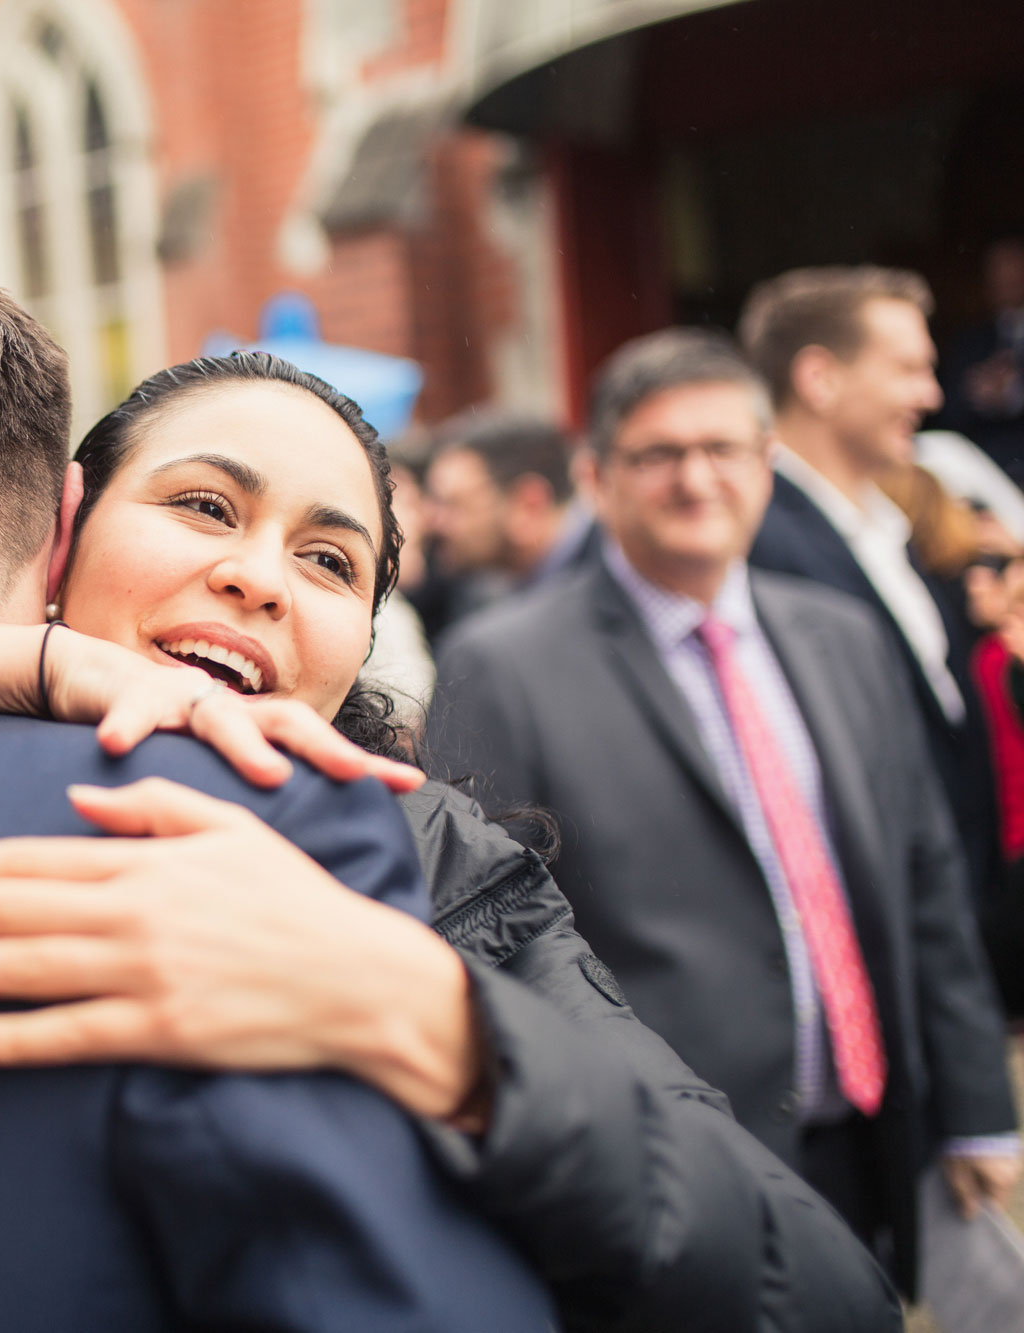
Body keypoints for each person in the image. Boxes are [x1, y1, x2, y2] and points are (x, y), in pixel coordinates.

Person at [0, 279, 900, 1328]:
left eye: (333, 563)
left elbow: (817, 1283)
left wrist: (441, 1024)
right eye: (206, 506)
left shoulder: (434, 860)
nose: (265, 573)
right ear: (61, 532)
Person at [426, 327, 1018, 1294]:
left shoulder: (842, 637)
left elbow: (925, 885)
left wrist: (978, 1106)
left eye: (723, 451)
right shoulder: (503, 666)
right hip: (678, 1163)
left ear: (766, 464)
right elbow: (488, 931)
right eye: (659, 455)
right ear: (598, 475)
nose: (696, 480)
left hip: (876, 1136)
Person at [741, 266, 1008, 992]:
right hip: (867, 959)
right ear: (819, 378)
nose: (933, 393)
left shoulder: (893, 529)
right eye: (909, 368)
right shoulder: (758, 540)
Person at [419, 411, 595, 640]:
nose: (432, 523)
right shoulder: (483, 593)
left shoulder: (617, 588)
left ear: (528, 506)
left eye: (451, 505)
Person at [936, 236, 1024, 482]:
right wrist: (974, 393)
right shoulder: (971, 341)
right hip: (985, 475)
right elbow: (944, 409)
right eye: (996, 268)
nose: (1005, 276)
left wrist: (1014, 394)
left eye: (1012, 265)